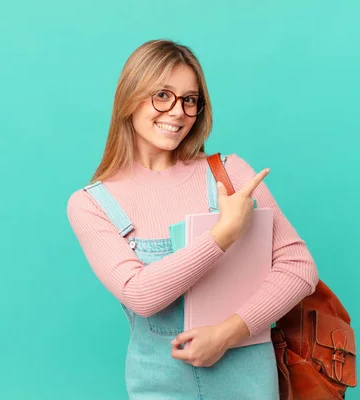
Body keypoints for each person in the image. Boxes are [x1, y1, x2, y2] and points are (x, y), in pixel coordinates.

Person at [67, 39, 319, 399]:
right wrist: (224, 233)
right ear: (130, 98)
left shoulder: (229, 173)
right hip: (158, 383)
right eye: (162, 95)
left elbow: (299, 267)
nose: (177, 112)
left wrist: (228, 334)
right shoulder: (91, 204)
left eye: (189, 100)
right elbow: (141, 295)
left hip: (248, 380)